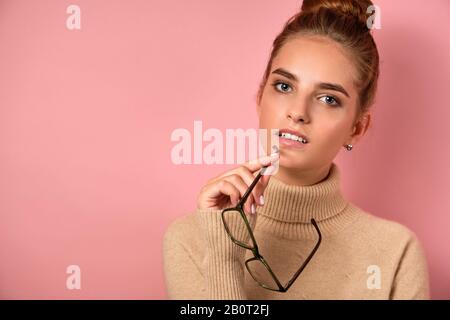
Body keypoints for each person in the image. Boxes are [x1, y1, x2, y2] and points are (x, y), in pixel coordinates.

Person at [163, 0, 430, 299]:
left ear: (356, 129)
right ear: (260, 95)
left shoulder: (395, 254)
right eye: (284, 87)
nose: (298, 112)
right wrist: (225, 255)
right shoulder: (190, 238)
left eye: (328, 99)